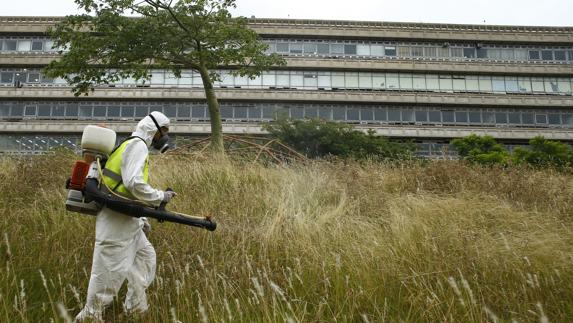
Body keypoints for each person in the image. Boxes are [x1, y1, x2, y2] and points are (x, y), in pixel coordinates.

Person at [75, 111, 176, 321]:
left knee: (145, 259)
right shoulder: (138, 145)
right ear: (154, 129)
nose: (164, 137)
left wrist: (141, 219)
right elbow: (133, 183)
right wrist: (160, 197)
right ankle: (88, 318)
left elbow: (122, 188)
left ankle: (136, 311)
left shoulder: (130, 144)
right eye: (164, 131)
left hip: (128, 220)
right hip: (116, 222)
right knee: (107, 277)